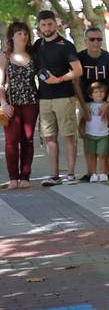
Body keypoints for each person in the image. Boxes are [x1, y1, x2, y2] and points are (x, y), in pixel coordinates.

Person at [32, 10, 82, 186]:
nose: (47, 28)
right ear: (39, 26)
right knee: (49, 137)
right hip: (44, 98)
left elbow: (78, 70)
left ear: (56, 24)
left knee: (68, 135)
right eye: (43, 25)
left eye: (50, 24)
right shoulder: (37, 45)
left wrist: (59, 79)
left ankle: (70, 174)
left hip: (64, 97)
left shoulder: (65, 45)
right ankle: (54, 175)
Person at [1, 21, 39, 189]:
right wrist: (3, 104)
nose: (23, 36)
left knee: (28, 140)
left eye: (25, 33)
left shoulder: (33, 55)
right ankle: (13, 178)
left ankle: (25, 177)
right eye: (19, 33)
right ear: (12, 36)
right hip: (12, 104)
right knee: (11, 142)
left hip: (31, 102)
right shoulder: (5, 56)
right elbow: (0, 83)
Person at [76, 26, 109, 182]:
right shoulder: (79, 57)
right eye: (92, 39)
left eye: (99, 39)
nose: (96, 42)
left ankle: (107, 170)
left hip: (106, 102)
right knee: (88, 136)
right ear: (85, 40)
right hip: (86, 103)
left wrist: (107, 103)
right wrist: (82, 104)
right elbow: (76, 83)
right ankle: (90, 172)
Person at [81, 80, 109, 182]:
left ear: (105, 94)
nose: (99, 94)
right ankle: (93, 174)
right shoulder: (88, 106)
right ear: (91, 95)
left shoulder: (106, 106)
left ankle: (103, 173)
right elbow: (83, 120)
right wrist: (81, 130)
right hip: (90, 134)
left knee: (102, 155)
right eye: (96, 92)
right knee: (91, 155)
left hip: (103, 134)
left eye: (101, 92)